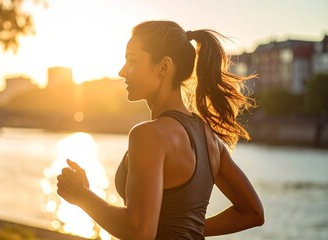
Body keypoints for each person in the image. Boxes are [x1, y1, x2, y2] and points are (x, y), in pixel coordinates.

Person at [57, 20, 264, 240]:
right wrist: (189, 230)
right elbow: (252, 213)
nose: (122, 71)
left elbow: (139, 232)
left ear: (164, 66)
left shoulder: (149, 135)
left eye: (131, 61)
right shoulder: (209, 137)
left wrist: (82, 196)